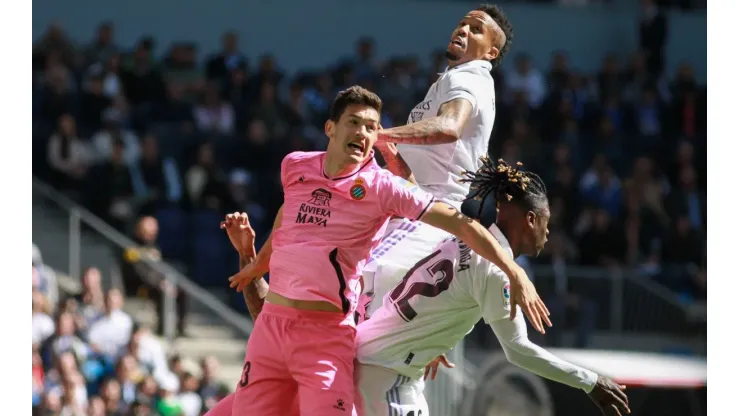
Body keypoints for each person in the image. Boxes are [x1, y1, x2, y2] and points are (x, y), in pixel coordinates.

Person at [224, 86, 547, 415]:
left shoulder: (383, 187)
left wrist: (513, 270)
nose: (362, 132)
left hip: (324, 336)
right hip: (271, 328)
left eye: (371, 126)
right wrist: (259, 262)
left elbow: (462, 224)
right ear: (330, 128)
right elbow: (288, 213)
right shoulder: (296, 165)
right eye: (354, 122)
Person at [354, 159, 631, 416]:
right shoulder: (496, 269)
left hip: (385, 364)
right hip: (387, 371)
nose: (548, 234)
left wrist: (428, 336)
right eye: (547, 224)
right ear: (531, 220)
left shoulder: (465, 238)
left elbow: (419, 284)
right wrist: (591, 382)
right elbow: (519, 350)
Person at [363, 4, 516, 323]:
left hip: (432, 216)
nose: (463, 29)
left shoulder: (469, 76)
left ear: (491, 52)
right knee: (376, 312)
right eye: (462, 23)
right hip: (419, 209)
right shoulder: (453, 79)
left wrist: (380, 134)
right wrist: (391, 152)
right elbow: (415, 174)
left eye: (476, 29)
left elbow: (448, 128)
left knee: (360, 286)